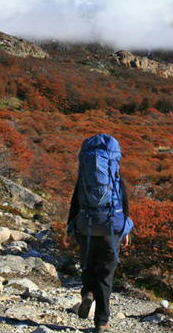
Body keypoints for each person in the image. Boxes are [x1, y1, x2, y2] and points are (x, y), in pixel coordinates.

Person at [63, 134, 133, 333]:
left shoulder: (85, 179)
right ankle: (102, 322)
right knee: (105, 275)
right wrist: (125, 230)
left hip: (86, 226)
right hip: (111, 228)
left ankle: (87, 292)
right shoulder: (115, 175)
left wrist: (69, 229)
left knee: (88, 264)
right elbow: (124, 202)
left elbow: (75, 202)